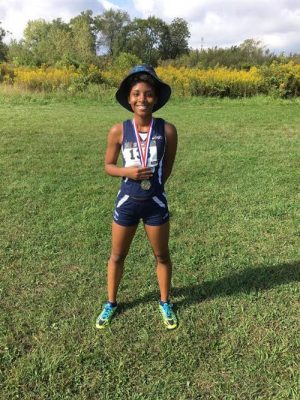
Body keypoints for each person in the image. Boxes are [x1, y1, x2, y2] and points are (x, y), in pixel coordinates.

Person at [96, 65, 178, 330]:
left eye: (148, 94)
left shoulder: (167, 130)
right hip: (127, 203)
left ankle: (165, 302)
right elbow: (108, 166)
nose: (142, 99)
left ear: (155, 98)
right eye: (136, 94)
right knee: (117, 256)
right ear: (129, 99)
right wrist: (127, 172)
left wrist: (154, 187)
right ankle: (111, 303)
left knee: (162, 256)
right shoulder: (118, 131)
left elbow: (168, 167)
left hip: (155, 203)